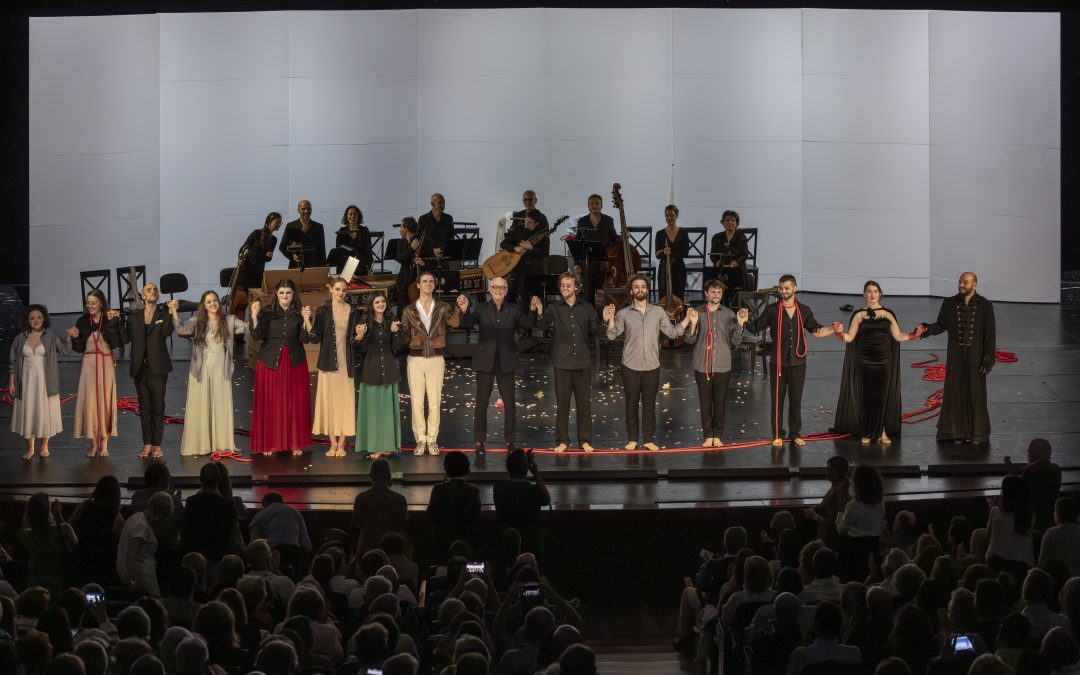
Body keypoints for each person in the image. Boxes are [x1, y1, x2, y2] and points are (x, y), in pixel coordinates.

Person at [603, 274, 693, 450]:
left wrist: (687, 320)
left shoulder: (658, 312)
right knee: (631, 404)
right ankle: (632, 439)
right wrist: (610, 319)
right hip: (630, 365)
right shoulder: (623, 314)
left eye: (643, 286)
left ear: (647, 290)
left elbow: (673, 333)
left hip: (652, 365)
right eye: (636, 287)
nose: (640, 290)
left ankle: (649, 440)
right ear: (631, 291)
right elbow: (612, 335)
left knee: (649, 405)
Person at [746, 274, 834, 448]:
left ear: (795, 288)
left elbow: (815, 330)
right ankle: (778, 434)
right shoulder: (772, 310)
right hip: (778, 363)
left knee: (796, 399)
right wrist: (744, 318)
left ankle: (795, 433)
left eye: (787, 288)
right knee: (777, 400)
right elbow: (756, 327)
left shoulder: (804, 310)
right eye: (781, 288)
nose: (783, 291)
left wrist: (833, 329)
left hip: (798, 363)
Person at [456, 277, 541, 456]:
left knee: (510, 404)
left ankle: (510, 440)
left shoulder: (514, 309)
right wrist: (464, 311)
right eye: (495, 287)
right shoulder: (481, 308)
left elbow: (528, 323)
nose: (498, 290)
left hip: (506, 360)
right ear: (490, 289)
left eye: (501, 287)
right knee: (481, 403)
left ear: (506, 289)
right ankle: (479, 441)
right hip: (485, 361)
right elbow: (467, 323)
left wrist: (533, 310)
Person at [832, 280, 924, 444]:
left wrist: (913, 335)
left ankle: (882, 431)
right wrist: (839, 333)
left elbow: (898, 336)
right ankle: (867, 432)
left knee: (882, 397)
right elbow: (850, 338)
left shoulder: (888, 314)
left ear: (880, 294)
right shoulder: (858, 315)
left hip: (883, 361)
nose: (872, 294)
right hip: (864, 361)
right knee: (866, 397)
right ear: (864, 294)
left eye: (875, 291)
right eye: (869, 291)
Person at [917, 271, 996, 444]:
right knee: (955, 392)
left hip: (976, 357)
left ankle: (976, 433)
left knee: (976, 393)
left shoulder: (985, 305)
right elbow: (940, 325)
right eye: (960, 281)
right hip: (956, 356)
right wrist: (926, 329)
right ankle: (955, 432)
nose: (962, 285)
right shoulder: (949, 303)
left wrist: (988, 359)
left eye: (966, 282)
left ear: (974, 285)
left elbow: (990, 335)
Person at [537, 271, 603, 453]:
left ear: (576, 287)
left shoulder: (586, 307)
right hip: (562, 361)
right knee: (563, 403)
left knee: (584, 404)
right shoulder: (554, 308)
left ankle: (585, 440)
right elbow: (542, 326)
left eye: (569, 285)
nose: (565, 288)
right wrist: (540, 312)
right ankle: (563, 440)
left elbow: (596, 331)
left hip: (582, 361)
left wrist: (606, 319)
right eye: (563, 285)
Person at [176, 290, 246, 456]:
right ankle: (202, 443)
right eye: (209, 302)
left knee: (219, 404)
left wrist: (256, 315)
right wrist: (173, 313)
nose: (213, 304)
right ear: (204, 306)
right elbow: (182, 330)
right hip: (202, 368)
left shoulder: (229, 320)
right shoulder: (197, 321)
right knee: (202, 404)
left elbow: (245, 329)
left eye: (215, 300)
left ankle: (220, 443)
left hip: (221, 368)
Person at [249, 278, 312, 456]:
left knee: (295, 403)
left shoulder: (300, 314)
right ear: (276, 294)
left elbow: (305, 339)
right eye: (282, 292)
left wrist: (307, 320)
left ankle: (295, 442)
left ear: (294, 295)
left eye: (289, 292)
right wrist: (254, 315)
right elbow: (257, 335)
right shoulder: (267, 313)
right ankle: (270, 442)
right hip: (270, 361)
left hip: (294, 362)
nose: (285, 296)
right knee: (271, 402)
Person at [400, 270, 461, 456]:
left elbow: (455, 323)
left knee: (434, 402)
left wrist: (460, 308)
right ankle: (420, 440)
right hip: (415, 359)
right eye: (424, 281)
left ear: (434, 285)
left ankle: (432, 440)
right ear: (418, 285)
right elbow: (403, 334)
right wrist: (393, 331)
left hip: (436, 358)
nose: (428, 284)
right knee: (417, 402)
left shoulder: (442, 307)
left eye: (431, 282)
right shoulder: (409, 310)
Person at [684, 280, 747, 447]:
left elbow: (735, 342)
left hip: (722, 365)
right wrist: (694, 323)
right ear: (706, 293)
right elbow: (689, 340)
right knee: (705, 402)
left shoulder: (729, 314)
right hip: (702, 365)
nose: (716, 295)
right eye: (713, 292)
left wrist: (740, 324)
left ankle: (718, 434)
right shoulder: (697, 313)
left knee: (719, 402)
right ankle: (708, 434)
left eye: (719, 292)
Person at [120, 282, 179, 459]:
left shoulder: (162, 314)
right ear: (143, 296)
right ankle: (147, 444)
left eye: (155, 290)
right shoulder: (134, 316)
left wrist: (170, 312)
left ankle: (157, 445)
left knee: (158, 407)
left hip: (158, 368)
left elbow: (167, 332)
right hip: (140, 368)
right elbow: (125, 338)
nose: (153, 291)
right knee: (144, 408)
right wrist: (114, 322)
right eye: (149, 290)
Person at [7, 304, 70, 460]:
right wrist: (12, 383)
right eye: (32, 318)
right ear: (27, 321)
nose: (36, 320)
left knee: (44, 412)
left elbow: (65, 351)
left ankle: (43, 446)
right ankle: (30, 448)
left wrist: (70, 337)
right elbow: (13, 362)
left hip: (45, 382)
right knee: (28, 413)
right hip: (26, 381)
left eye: (39, 317)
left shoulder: (51, 335)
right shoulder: (20, 338)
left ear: (44, 319)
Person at [307, 276, 361, 457]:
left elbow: (354, 339)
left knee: (345, 402)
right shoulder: (323, 311)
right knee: (329, 402)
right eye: (337, 289)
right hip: (328, 362)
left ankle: (342, 443)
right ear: (330, 290)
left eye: (344, 290)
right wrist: (307, 320)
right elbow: (315, 337)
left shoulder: (352, 311)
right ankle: (332, 443)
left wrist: (360, 335)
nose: (340, 293)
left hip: (346, 362)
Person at [70, 289, 124, 458]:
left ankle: (105, 444)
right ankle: (93, 444)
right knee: (90, 403)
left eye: (94, 302)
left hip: (105, 363)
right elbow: (79, 348)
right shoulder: (83, 321)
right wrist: (74, 338)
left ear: (101, 303)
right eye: (88, 303)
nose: (90, 305)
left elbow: (118, 342)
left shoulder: (108, 319)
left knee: (106, 402)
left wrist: (115, 322)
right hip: (89, 365)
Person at [354, 292, 407, 458]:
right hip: (371, 372)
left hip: (389, 371)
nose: (380, 304)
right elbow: (358, 349)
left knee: (387, 413)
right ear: (371, 304)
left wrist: (395, 332)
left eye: (383, 301)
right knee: (373, 413)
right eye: (377, 302)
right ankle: (374, 447)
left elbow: (398, 347)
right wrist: (360, 336)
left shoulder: (392, 321)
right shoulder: (364, 323)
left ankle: (387, 446)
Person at [493, 449, 551, 560]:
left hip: (506, 544)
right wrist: (535, 473)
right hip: (530, 544)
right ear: (526, 469)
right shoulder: (532, 491)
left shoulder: (499, 488)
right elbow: (546, 499)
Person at [181, 463, 242, 565]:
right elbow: (232, 534)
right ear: (219, 479)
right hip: (220, 557)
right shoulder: (227, 505)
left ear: (200, 479)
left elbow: (186, 529)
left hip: (196, 555)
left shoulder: (191, 502)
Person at [117, 492, 174, 597]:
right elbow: (132, 556)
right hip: (141, 578)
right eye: (162, 517)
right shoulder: (142, 527)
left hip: (139, 576)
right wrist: (133, 582)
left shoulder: (136, 518)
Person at [835, 464, 885, 582]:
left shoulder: (853, 506)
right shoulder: (880, 505)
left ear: (858, 485)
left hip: (853, 552)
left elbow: (841, 530)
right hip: (874, 548)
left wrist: (840, 512)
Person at [427, 452, 481, 557]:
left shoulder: (438, 490)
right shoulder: (473, 490)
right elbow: (475, 515)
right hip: (466, 541)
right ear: (467, 469)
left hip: (442, 542)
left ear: (446, 468)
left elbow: (431, 513)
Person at [232, 212, 281, 321]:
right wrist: (240, 258)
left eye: (280, 223)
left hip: (258, 273)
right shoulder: (256, 233)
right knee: (241, 301)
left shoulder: (274, 240)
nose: (279, 225)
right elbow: (244, 247)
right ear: (269, 222)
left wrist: (270, 256)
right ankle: (237, 328)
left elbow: (267, 259)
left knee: (255, 301)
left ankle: (254, 327)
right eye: (277, 222)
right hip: (246, 270)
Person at [1006, 438, 1062, 532]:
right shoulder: (1056, 469)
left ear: (1032, 454)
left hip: (1033, 523)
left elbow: (1019, 494)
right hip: (1049, 520)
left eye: (1029, 450)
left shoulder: (1030, 471)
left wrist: (1011, 472)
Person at [353, 458, 408, 551]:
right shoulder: (399, 500)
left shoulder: (361, 498)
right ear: (389, 477)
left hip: (367, 550)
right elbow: (404, 523)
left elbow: (357, 524)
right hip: (392, 551)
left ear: (370, 476)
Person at [986, 475, 1034, 579]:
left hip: (996, 562)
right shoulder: (1029, 515)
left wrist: (992, 507)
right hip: (1022, 566)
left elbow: (988, 535)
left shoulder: (996, 512)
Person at [574, 193, 618, 305]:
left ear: (601, 205)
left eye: (597, 203)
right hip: (587, 263)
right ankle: (588, 319)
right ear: (588, 206)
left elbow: (614, 240)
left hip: (604, 265)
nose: (595, 205)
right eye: (592, 203)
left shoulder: (608, 220)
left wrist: (623, 237)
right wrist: (576, 263)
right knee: (587, 295)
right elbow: (578, 243)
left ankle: (602, 318)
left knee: (602, 295)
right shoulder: (582, 221)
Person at [500, 209, 551, 304]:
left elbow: (545, 253)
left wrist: (531, 248)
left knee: (536, 298)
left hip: (535, 269)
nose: (525, 223)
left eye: (529, 222)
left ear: (536, 223)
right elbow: (503, 244)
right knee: (512, 296)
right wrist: (515, 248)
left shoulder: (543, 234)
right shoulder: (518, 229)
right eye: (525, 220)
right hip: (518, 267)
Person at [248, 493, 312, 568]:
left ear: (264, 502)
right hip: (293, 553)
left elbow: (254, 544)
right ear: (281, 501)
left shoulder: (260, 515)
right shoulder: (295, 512)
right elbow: (306, 544)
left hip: (270, 553)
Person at [709, 210, 751, 303]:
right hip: (721, 269)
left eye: (733, 220)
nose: (730, 222)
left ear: (737, 223)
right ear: (723, 222)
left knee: (737, 294)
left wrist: (736, 263)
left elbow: (744, 254)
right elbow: (712, 254)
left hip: (737, 269)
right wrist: (716, 262)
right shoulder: (717, 237)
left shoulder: (741, 236)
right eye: (727, 220)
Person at [655, 204, 689, 302]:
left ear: (677, 216)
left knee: (679, 295)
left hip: (679, 267)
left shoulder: (683, 232)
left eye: (672, 215)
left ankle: (678, 316)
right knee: (663, 296)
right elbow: (657, 255)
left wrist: (668, 253)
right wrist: (663, 253)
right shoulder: (660, 233)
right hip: (664, 268)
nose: (669, 218)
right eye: (667, 216)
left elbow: (685, 252)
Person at [279, 199, 327, 269]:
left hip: (314, 266)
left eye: (309, 209)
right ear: (298, 210)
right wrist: (292, 256)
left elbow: (322, 248)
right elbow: (282, 246)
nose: (306, 211)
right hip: (295, 265)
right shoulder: (290, 226)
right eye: (303, 209)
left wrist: (323, 265)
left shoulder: (319, 227)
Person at [327, 204, 373, 275]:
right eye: (350, 214)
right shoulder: (341, 231)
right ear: (346, 216)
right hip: (345, 266)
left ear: (358, 216)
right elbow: (338, 252)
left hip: (361, 266)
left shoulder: (364, 231)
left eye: (355, 214)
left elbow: (368, 250)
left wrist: (368, 267)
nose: (352, 216)